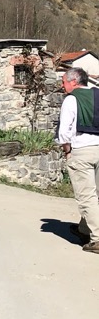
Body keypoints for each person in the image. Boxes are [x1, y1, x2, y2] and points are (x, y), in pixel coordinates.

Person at [57, 66, 99, 254]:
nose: (62, 85)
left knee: (87, 196)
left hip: (82, 150)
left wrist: (67, 151)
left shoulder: (71, 99)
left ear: (74, 81)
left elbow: (64, 133)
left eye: (64, 81)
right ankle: (84, 229)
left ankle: (97, 238)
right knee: (97, 194)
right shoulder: (98, 94)